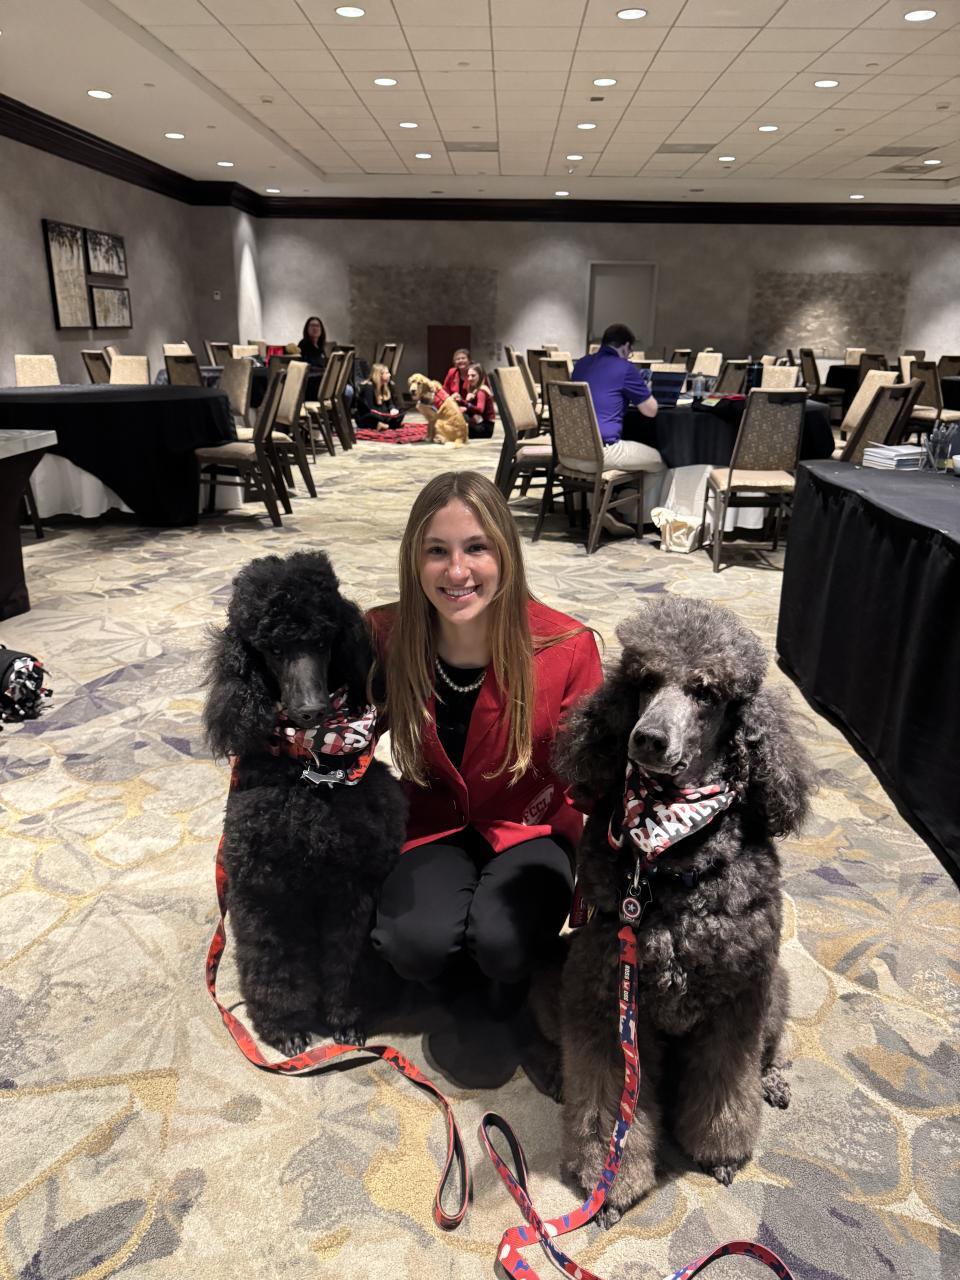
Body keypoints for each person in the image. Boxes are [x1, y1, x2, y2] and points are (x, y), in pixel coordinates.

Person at [367, 471, 602, 1013]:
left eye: (476, 548)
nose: (456, 571)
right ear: (414, 559)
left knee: (503, 945)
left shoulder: (569, 647)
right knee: (412, 947)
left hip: (531, 823)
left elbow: (595, 775)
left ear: (506, 553)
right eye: (436, 550)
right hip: (433, 819)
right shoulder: (385, 634)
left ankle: (502, 964)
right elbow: (343, 737)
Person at [571, 322, 664, 535]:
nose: (629, 355)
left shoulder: (582, 364)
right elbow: (650, 411)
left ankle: (606, 505)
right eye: (630, 351)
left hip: (570, 452)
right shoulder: (624, 368)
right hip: (601, 452)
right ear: (625, 346)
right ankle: (618, 509)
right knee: (658, 463)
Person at [354, 363, 405, 431]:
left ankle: (386, 425)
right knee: (372, 416)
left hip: (382, 414)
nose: (389, 375)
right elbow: (370, 408)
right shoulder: (368, 387)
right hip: (369, 415)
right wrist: (386, 415)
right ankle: (387, 424)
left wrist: (392, 409)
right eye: (386, 373)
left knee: (401, 412)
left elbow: (389, 403)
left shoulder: (385, 386)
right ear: (379, 375)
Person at [460, 363, 496, 439]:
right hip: (481, 424)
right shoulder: (475, 390)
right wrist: (463, 403)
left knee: (458, 427)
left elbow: (480, 409)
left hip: (485, 428)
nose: (470, 378)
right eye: (468, 376)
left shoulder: (481, 391)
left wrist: (465, 404)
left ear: (480, 376)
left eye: (473, 376)